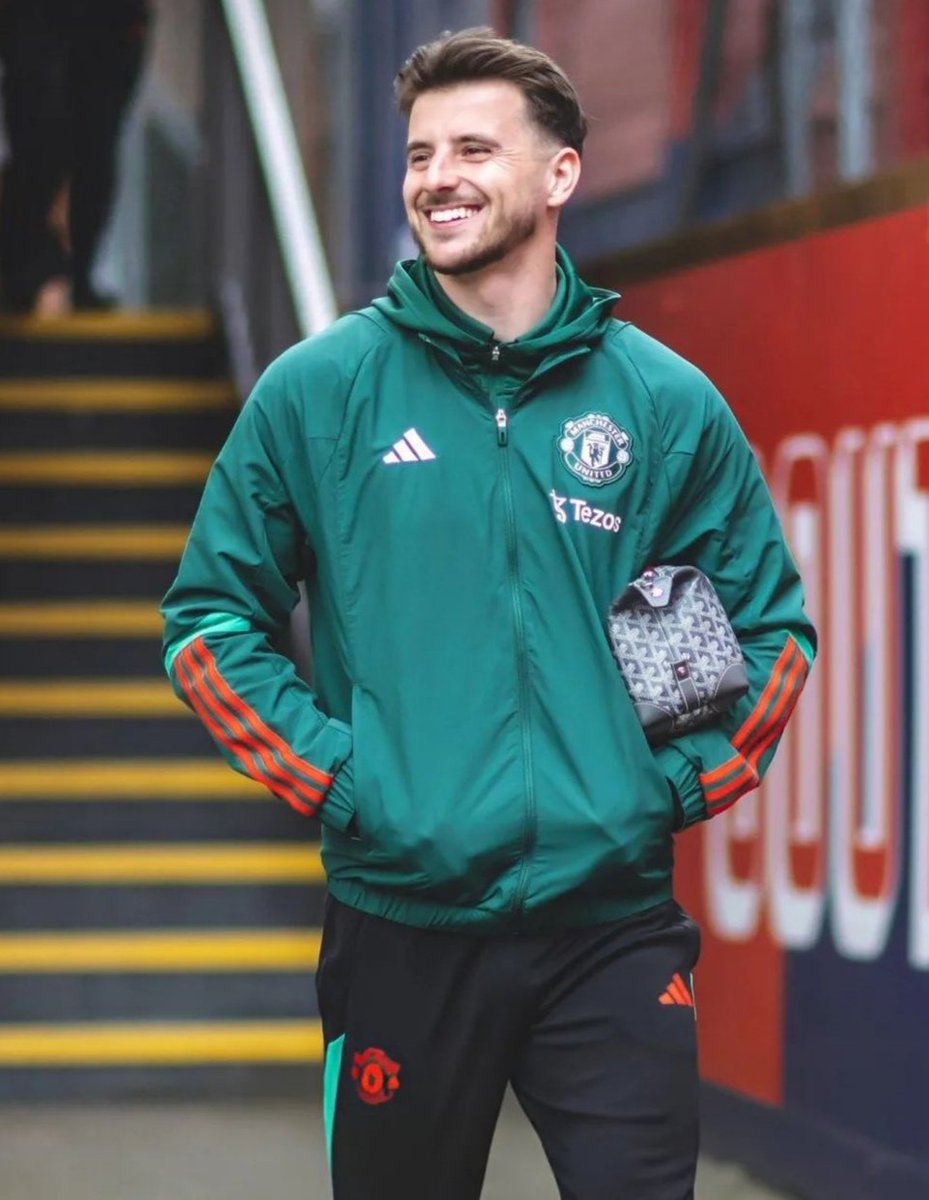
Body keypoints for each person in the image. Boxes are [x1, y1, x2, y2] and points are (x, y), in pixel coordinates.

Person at [161, 28, 815, 1200]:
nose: (435, 177)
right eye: (418, 154)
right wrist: (352, 786)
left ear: (561, 173)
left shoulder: (662, 402)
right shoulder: (320, 392)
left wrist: (659, 789)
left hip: (608, 929)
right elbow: (211, 621)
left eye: (473, 146)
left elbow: (772, 635)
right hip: (401, 929)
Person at [0, 0, 151, 314]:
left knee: (96, 147)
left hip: (110, 17)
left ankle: (78, 274)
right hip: (37, 14)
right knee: (39, 135)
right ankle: (26, 266)